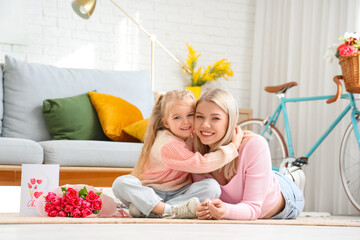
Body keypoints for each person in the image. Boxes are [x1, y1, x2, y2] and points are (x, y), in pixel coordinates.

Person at [112, 89, 243, 219]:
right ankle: (165, 209)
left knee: (212, 187)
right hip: (153, 191)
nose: (185, 122)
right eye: (177, 117)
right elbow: (200, 163)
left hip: (180, 192)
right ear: (166, 123)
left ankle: (154, 210)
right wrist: (232, 148)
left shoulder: (191, 136)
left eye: (190, 115)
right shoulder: (168, 143)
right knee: (121, 183)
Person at [193, 88, 305, 220]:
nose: (205, 125)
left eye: (215, 118)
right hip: (254, 178)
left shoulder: (255, 145)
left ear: (230, 122)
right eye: (199, 116)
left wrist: (226, 211)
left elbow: (253, 208)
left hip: (285, 196)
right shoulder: (194, 149)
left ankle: (292, 176)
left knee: (277, 180)